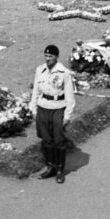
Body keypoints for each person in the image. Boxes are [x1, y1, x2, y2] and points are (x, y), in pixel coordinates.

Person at [30, 44, 76, 184]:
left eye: (50, 56)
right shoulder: (40, 70)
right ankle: (50, 167)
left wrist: (67, 115)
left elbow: (70, 96)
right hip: (43, 106)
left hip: (58, 107)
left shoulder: (64, 73)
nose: (48, 59)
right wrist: (33, 108)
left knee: (59, 140)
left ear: (57, 57)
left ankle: (60, 170)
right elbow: (36, 91)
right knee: (46, 139)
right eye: (46, 56)